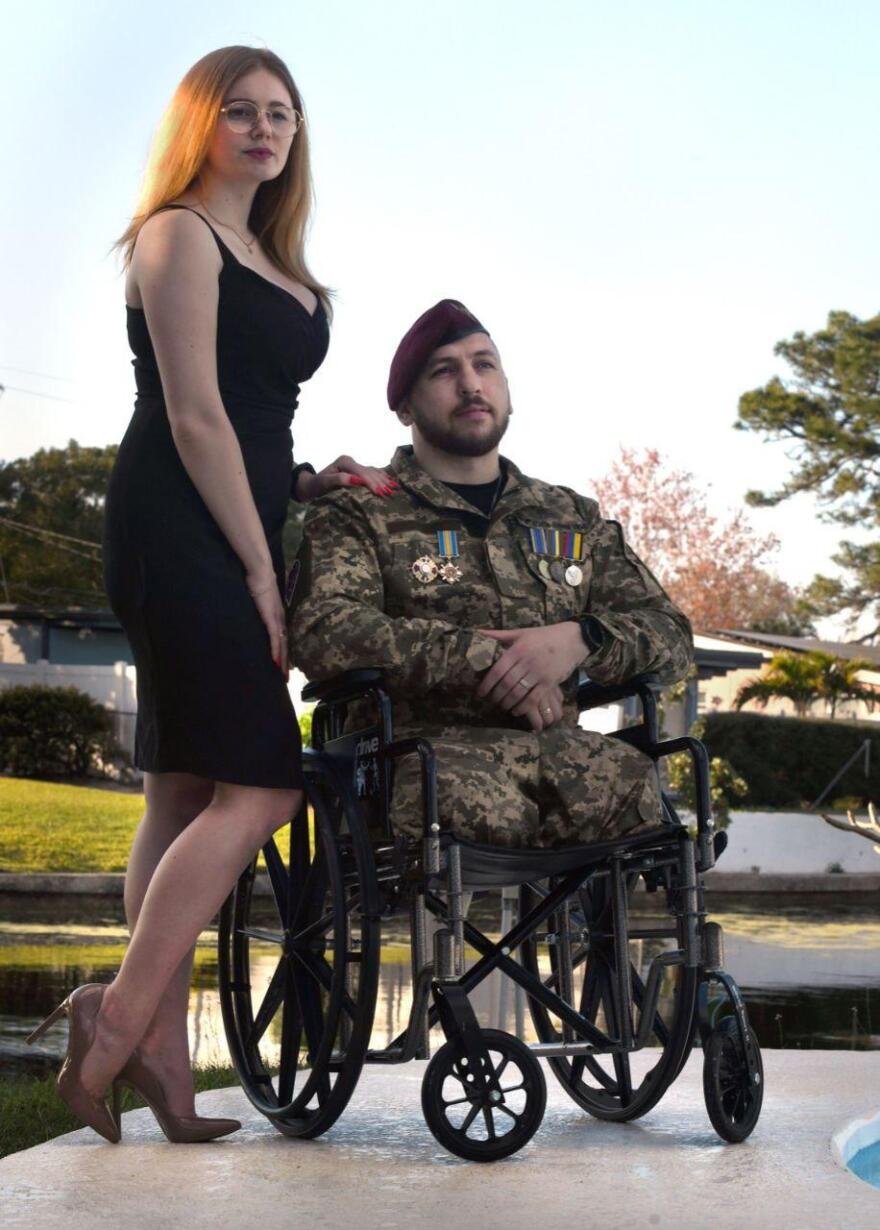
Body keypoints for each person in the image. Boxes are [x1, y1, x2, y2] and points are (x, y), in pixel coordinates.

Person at [27, 46, 393, 1144]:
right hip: (176, 524)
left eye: (282, 113)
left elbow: (251, 415)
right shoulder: (177, 232)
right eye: (240, 111)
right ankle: (118, 1015)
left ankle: (163, 1066)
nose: (265, 129)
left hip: (236, 506)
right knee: (263, 786)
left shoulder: (273, 255)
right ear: (201, 123)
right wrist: (255, 564)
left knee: (182, 789)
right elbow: (193, 416)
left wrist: (300, 485)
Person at [289, 299, 693, 848]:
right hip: (419, 753)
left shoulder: (571, 515)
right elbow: (324, 631)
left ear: (508, 391)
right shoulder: (361, 508)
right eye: (444, 370)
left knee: (638, 790)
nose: (470, 384)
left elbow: (671, 636)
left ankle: (608, 937)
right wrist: (485, 660)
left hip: (562, 752)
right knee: (464, 797)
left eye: (485, 365)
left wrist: (582, 637)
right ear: (405, 408)